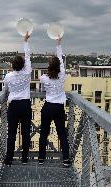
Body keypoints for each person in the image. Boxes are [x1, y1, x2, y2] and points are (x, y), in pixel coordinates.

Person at [38, 36, 70, 167]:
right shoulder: (62, 75)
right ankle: (66, 159)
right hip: (59, 108)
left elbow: (55, 66)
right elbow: (61, 62)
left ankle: (40, 158)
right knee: (62, 133)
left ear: (49, 66)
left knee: (44, 132)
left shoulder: (44, 78)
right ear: (58, 67)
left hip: (47, 107)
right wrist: (59, 44)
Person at [3, 32, 32, 166]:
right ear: (23, 65)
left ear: (12, 65)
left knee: (12, 133)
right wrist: (25, 41)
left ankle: (9, 159)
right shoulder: (27, 73)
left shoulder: (8, 77)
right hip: (25, 104)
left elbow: (5, 91)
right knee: (26, 133)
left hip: (13, 105)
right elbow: (28, 56)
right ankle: (24, 159)